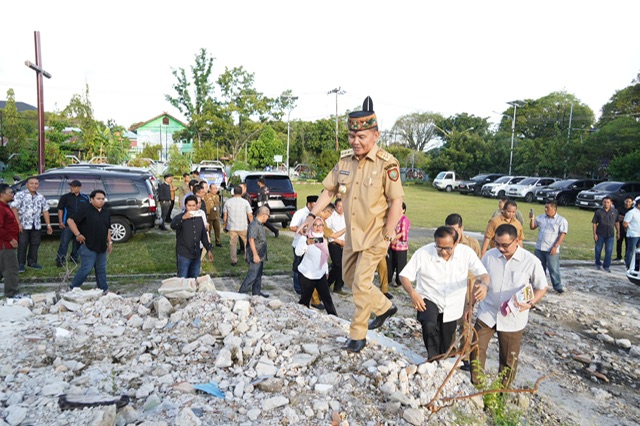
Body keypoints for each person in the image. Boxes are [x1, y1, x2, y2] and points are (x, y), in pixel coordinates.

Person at [298, 96, 404, 353]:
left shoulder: (387, 163)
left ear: (375, 135)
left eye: (362, 137)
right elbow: (328, 191)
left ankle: (358, 335)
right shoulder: (344, 161)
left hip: (376, 236)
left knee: (359, 284)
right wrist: (312, 216)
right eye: (351, 136)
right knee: (347, 276)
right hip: (352, 237)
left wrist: (388, 235)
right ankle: (384, 306)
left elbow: (397, 201)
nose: (355, 141)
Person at [470, 224, 548, 388]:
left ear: (517, 241)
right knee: (476, 348)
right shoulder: (490, 256)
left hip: (513, 317)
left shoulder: (530, 261)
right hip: (488, 312)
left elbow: (542, 287)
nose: (500, 248)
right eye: (497, 243)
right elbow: (480, 278)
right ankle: (478, 387)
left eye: (505, 245)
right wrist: (472, 302)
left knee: (508, 359)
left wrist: (530, 303)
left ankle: (500, 394)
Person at [399, 226, 489, 360]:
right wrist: (413, 293)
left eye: (448, 248)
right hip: (428, 297)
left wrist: (484, 285)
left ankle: (443, 359)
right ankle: (433, 359)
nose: (443, 252)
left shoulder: (466, 253)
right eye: (439, 247)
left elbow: (483, 274)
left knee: (446, 338)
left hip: (453, 303)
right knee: (429, 325)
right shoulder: (424, 253)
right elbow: (404, 276)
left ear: (456, 243)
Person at [445, 213, 481, 371]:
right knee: (449, 321)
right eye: (449, 230)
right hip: (449, 286)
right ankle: (450, 353)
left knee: (466, 322)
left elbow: (479, 267)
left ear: (462, 228)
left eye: (455, 230)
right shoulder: (444, 242)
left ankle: (465, 356)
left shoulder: (472, 244)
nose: (452, 234)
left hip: (467, 287)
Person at [67, 190, 113, 293]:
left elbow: (107, 228)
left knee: (101, 269)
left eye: (102, 199)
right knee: (86, 268)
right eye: (98, 199)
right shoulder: (85, 209)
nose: (101, 201)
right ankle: (73, 288)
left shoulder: (106, 211)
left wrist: (109, 242)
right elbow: (70, 220)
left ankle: (103, 289)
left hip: (102, 246)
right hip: (88, 245)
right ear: (92, 199)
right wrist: (77, 234)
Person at [295, 216, 338, 315]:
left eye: (320, 225)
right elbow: (298, 253)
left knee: (327, 298)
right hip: (307, 274)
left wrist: (326, 271)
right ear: (311, 226)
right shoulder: (305, 237)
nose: (318, 227)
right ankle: (301, 316)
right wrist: (306, 243)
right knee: (305, 299)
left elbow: (325, 256)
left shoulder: (323, 240)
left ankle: (334, 317)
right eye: (315, 225)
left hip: (320, 274)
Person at [11, 177, 53, 272]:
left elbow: (45, 210)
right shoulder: (20, 195)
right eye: (31, 183)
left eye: (36, 183)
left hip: (36, 225)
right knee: (22, 244)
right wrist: (18, 223)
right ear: (26, 185)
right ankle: (21, 264)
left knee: (35, 244)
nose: (34, 185)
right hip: (24, 225)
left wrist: (48, 225)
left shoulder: (40, 197)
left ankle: (32, 262)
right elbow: (14, 209)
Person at [529, 201, 568, 293]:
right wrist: (532, 218)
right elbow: (532, 227)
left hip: (551, 248)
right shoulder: (541, 217)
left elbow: (562, 234)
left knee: (553, 268)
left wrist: (556, 246)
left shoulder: (561, 220)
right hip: (540, 247)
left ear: (554, 209)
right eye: (545, 208)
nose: (545, 209)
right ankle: (539, 285)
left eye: (548, 208)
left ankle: (557, 286)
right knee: (539, 268)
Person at [171, 195, 213, 278]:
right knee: (183, 279)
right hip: (184, 254)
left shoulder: (199, 218)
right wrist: (183, 218)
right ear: (185, 206)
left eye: (193, 206)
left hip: (196, 254)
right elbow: (173, 226)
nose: (191, 208)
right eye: (189, 206)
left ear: (197, 205)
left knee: (194, 279)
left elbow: (203, 235)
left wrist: (208, 249)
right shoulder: (180, 217)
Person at [56, 180, 90, 267]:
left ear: (79, 187)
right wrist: (60, 221)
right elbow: (60, 209)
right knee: (64, 242)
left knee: (78, 242)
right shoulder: (65, 197)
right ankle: (60, 259)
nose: (72, 188)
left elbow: (87, 211)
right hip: (68, 223)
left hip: (80, 224)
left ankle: (74, 257)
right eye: (71, 186)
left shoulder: (85, 198)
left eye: (74, 186)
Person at [239, 206, 270, 297]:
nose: (268, 218)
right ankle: (242, 293)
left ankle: (256, 292)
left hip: (260, 254)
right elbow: (251, 240)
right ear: (264, 215)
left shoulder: (259, 224)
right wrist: (255, 255)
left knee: (258, 275)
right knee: (252, 275)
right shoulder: (254, 225)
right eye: (268, 216)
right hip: (255, 254)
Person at [290, 195, 318, 295]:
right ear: (309, 204)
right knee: (298, 266)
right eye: (314, 205)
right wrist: (303, 230)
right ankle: (297, 287)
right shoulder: (300, 213)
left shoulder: (316, 214)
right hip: (299, 244)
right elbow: (292, 227)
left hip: (311, 245)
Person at [223, 186, 253, 266]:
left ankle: (234, 260)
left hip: (232, 226)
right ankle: (248, 258)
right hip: (243, 226)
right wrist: (252, 224)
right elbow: (250, 215)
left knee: (233, 243)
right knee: (247, 242)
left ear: (233, 192)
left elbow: (225, 215)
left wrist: (225, 225)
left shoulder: (228, 202)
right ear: (241, 192)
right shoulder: (245, 202)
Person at [0, 184, 20, 298]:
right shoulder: (1, 208)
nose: (12, 195)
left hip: (6, 243)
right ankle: (11, 293)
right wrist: (10, 239)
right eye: (10, 193)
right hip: (5, 244)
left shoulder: (6, 206)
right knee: (10, 269)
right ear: (2, 195)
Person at [592, 196, 619, 272]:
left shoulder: (615, 211)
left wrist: (618, 232)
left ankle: (606, 265)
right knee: (598, 250)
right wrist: (594, 234)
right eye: (605, 202)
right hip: (600, 234)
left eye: (608, 202)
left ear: (611, 203)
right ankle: (597, 263)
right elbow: (594, 223)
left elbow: (617, 222)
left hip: (610, 234)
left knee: (609, 250)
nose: (606, 204)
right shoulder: (598, 212)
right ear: (602, 203)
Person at [326, 198, 346, 295]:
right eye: (338, 206)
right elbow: (329, 234)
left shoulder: (347, 216)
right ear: (335, 206)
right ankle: (328, 283)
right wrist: (339, 241)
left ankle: (338, 287)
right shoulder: (331, 216)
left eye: (342, 206)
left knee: (344, 266)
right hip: (334, 242)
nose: (340, 209)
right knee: (337, 264)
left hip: (346, 244)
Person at [387, 202, 410, 288]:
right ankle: (388, 279)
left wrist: (393, 238)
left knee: (400, 265)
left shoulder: (404, 220)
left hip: (401, 247)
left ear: (403, 210)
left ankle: (399, 281)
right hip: (392, 245)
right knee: (390, 264)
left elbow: (403, 233)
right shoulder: (394, 218)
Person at [623, 198, 640, 270]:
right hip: (633, 234)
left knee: (638, 251)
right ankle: (628, 265)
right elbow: (625, 224)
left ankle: (637, 265)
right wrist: (629, 229)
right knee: (631, 250)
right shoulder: (631, 212)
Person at [617, 197, 634, 262]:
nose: (628, 203)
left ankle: (627, 257)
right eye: (627, 201)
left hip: (629, 230)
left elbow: (632, 219)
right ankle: (618, 256)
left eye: (629, 202)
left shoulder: (633, 210)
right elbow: (617, 217)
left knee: (628, 244)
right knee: (619, 243)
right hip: (620, 228)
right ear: (624, 201)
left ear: (632, 202)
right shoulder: (620, 208)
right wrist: (627, 218)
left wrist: (623, 218)